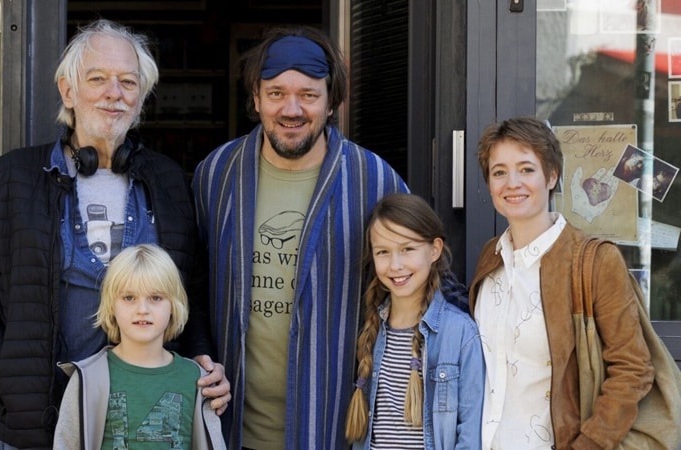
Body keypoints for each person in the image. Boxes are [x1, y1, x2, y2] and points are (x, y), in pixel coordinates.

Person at [0, 19, 229, 450]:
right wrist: (7, 373)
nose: (114, 93)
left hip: (147, 424)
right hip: (38, 424)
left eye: (128, 82)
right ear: (68, 91)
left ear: (141, 96)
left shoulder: (169, 182)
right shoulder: (12, 178)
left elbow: (193, 290)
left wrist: (202, 360)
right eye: (98, 79)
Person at [193, 25, 468, 449]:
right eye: (276, 93)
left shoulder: (374, 181)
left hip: (338, 427)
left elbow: (430, 284)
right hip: (229, 428)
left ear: (332, 100)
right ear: (255, 98)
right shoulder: (217, 175)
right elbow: (190, 284)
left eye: (308, 94)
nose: (292, 108)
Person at [469, 116, 653, 449]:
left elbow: (633, 369)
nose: (512, 183)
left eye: (526, 169)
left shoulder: (594, 261)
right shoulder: (490, 258)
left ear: (551, 176)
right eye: (499, 172)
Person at [345, 193, 484, 449]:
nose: (396, 265)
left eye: (407, 249)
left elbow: (470, 433)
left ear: (434, 250)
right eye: (383, 252)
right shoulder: (370, 330)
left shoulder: (460, 334)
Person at [53, 244, 226, 450]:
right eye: (129, 298)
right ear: (111, 306)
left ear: (173, 305)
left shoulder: (197, 378)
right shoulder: (87, 378)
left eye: (155, 298)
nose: (142, 309)